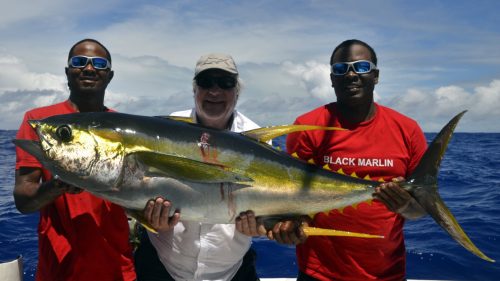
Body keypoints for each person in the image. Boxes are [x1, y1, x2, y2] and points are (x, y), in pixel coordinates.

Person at [270, 39, 428, 281]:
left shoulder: (408, 129)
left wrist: (405, 206)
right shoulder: (307, 127)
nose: (351, 75)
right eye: (341, 69)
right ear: (332, 79)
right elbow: (295, 201)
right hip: (319, 274)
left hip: (388, 274)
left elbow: (421, 208)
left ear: (375, 75)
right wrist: (291, 227)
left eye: (362, 67)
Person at [13, 39, 136, 281]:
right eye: (79, 62)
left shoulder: (126, 128)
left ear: (109, 76)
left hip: (118, 269)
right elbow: (23, 200)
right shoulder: (40, 122)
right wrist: (60, 184)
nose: (89, 68)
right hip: (59, 271)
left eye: (99, 64)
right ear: (67, 72)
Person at [134, 53, 262, 281]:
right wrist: (149, 216)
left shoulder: (257, 141)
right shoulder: (166, 130)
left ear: (237, 91)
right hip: (163, 266)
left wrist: (259, 224)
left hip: (231, 271)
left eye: (225, 83)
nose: (215, 91)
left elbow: (268, 202)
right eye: (206, 83)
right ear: (194, 90)